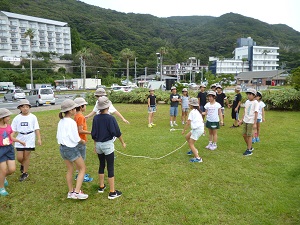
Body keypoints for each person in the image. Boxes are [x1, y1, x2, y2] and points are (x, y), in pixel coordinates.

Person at [91, 96, 126, 200]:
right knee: (110, 167)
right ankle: (112, 192)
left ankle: (101, 187)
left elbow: (94, 134)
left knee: (101, 164)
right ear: (108, 106)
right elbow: (117, 132)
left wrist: (95, 145)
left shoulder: (96, 118)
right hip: (107, 145)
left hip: (99, 145)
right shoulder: (111, 118)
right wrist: (123, 143)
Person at [57, 99, 88, 200]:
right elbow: (75, 138)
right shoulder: (71, 122)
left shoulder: (61, 121)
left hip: (62, 148)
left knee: (70, 169)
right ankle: (77, 192)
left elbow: (58, 136)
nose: (76, 109)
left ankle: (70, 192)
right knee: (82, 168)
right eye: (74, 108)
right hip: (71, 149)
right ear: (70, 110)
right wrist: (82, 141)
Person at [11, 99, 42, 182]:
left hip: (30, 137)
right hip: (20, 137)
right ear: (20, 108)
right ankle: (23, 164)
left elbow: (36, 128)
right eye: (23, 107)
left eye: (27, 107)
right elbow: (13, 130)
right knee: (20, 157)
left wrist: (39, 138)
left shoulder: (33, 117)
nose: (25, 108)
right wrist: (11, 137)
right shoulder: (17, 118)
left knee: (26, 156)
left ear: (29, 107)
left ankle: (25, 173)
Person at [0, 108, 25, 196]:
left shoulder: (9, 126)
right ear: (2, 118)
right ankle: (1, 187)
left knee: (12, 169)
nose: (9, 118)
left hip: (9, 149)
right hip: (1, 150)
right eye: (7, 116)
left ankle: (3, 178)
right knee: (2, 170)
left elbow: (11, 138)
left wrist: (19, 141)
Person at [74, 97, 93, 182]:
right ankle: (81, 175)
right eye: (85, 105)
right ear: (81, 107)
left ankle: (79, 174)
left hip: (77, 140)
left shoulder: (76, 115)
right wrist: (91, 132)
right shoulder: (81, 117)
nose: (85, 107)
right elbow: (80, 130)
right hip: (81, 141)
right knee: (81, 159)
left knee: (79, 158)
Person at [182, 98, 205, 163]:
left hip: (197, 129)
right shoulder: (198, 111)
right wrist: (203, 129)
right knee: (187, 137)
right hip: (198, 128)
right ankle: (193, 150)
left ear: (192, 105)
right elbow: (201, 121)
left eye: (189, 104)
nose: (189, 105)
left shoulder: (193, 112)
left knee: (191, 144)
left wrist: (184, 130)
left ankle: (198, 158)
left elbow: (188, 123)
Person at [239, 88, 259, 156]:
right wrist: (242, 120)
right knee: (244, 134)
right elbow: (245, 111)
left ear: (254, 95)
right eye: (248, 94)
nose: (248, 95)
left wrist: (255, 123)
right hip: (245, 120)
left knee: (249, 135)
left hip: (251, 121)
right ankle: (250, 147)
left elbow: (256, 113)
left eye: (250, 94)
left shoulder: (256, 103)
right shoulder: (247, 102)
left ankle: (249, 150)